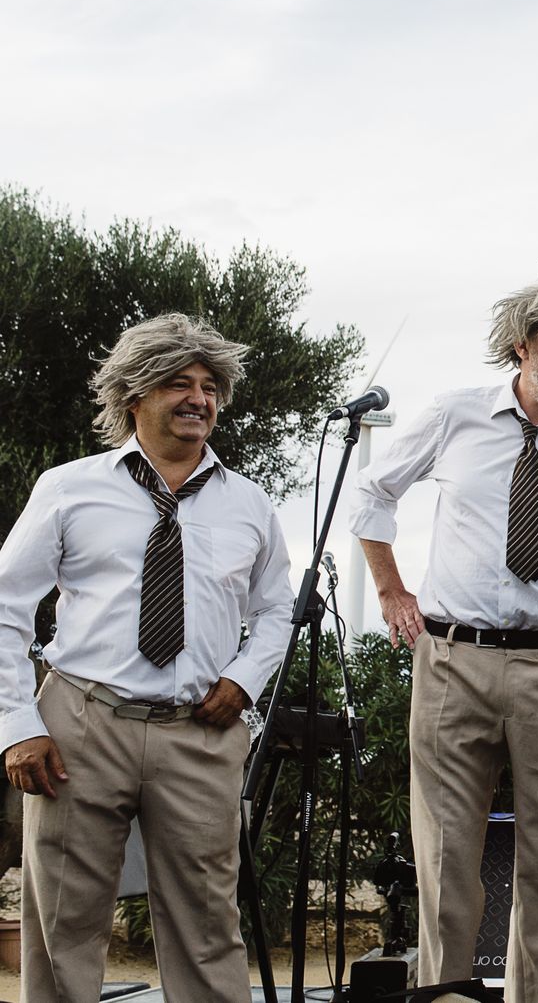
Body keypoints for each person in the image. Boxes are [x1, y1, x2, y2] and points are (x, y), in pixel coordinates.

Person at [349, 261, 538, 1002]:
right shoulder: (455, 415)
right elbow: (373, 493)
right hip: (453, 659)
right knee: (446, 846)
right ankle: (444, 991)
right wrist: (390, 592)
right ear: (521, 345)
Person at [0, 314, 293, 1001]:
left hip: (201, 732)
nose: (198, 398)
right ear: (134, 396)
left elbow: (277, 609)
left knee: (207, 925)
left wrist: (245, 679)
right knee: (64, 926)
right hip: (80, 726)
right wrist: (17, 723)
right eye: (177, 383)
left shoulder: (249, 503)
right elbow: (6, 603)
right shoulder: (69, 488)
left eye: (209, 386)